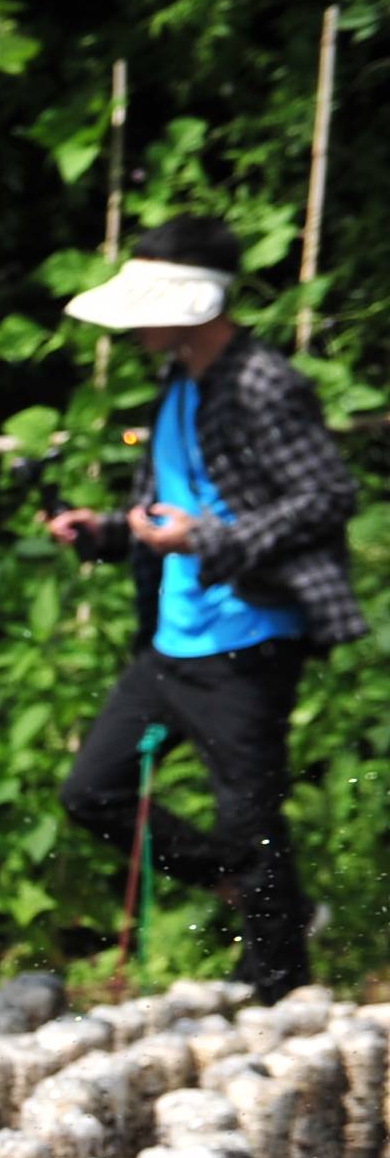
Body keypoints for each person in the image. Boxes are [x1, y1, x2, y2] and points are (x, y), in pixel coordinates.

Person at [50, 216, 365, 997]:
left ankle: (281, 994)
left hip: (250, 636)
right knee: (92, 792)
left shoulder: (263, 380)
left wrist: (213, 539)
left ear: (192, 303)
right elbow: (167, 512)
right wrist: (102, 534)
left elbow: (329, 494)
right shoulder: (175, 381)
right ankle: (260, 899)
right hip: (174, 639)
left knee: (248, 823)